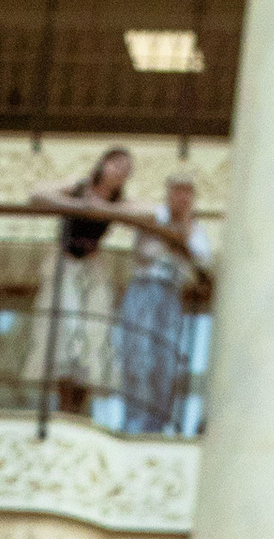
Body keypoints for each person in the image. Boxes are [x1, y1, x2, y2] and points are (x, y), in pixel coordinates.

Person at [30, 146, 133, 417]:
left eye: (125, 169)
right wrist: (78, 205)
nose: (119, 171)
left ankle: (80, 406)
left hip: (92, 268)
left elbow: (147, 213)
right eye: (116, 164)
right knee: (66, 330)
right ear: (103, 164)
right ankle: (64, 405)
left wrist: (104, 210)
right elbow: (37, 194)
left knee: (91, 335)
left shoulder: (119, 202)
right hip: (65, 265)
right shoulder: (78, 185)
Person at [115, 169, 207, 435]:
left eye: (187, 192)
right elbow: (145, 252)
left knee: (164, 361)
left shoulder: (196, 229)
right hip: (144, 288)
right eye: (176, 191)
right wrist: (176, 243)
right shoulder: (153, 216)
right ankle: (133, 424)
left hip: (171, 294)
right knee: (137, 355)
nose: (181, 197)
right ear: (168, 194)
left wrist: (183, 235)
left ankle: (156, 426)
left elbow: (201, 261)